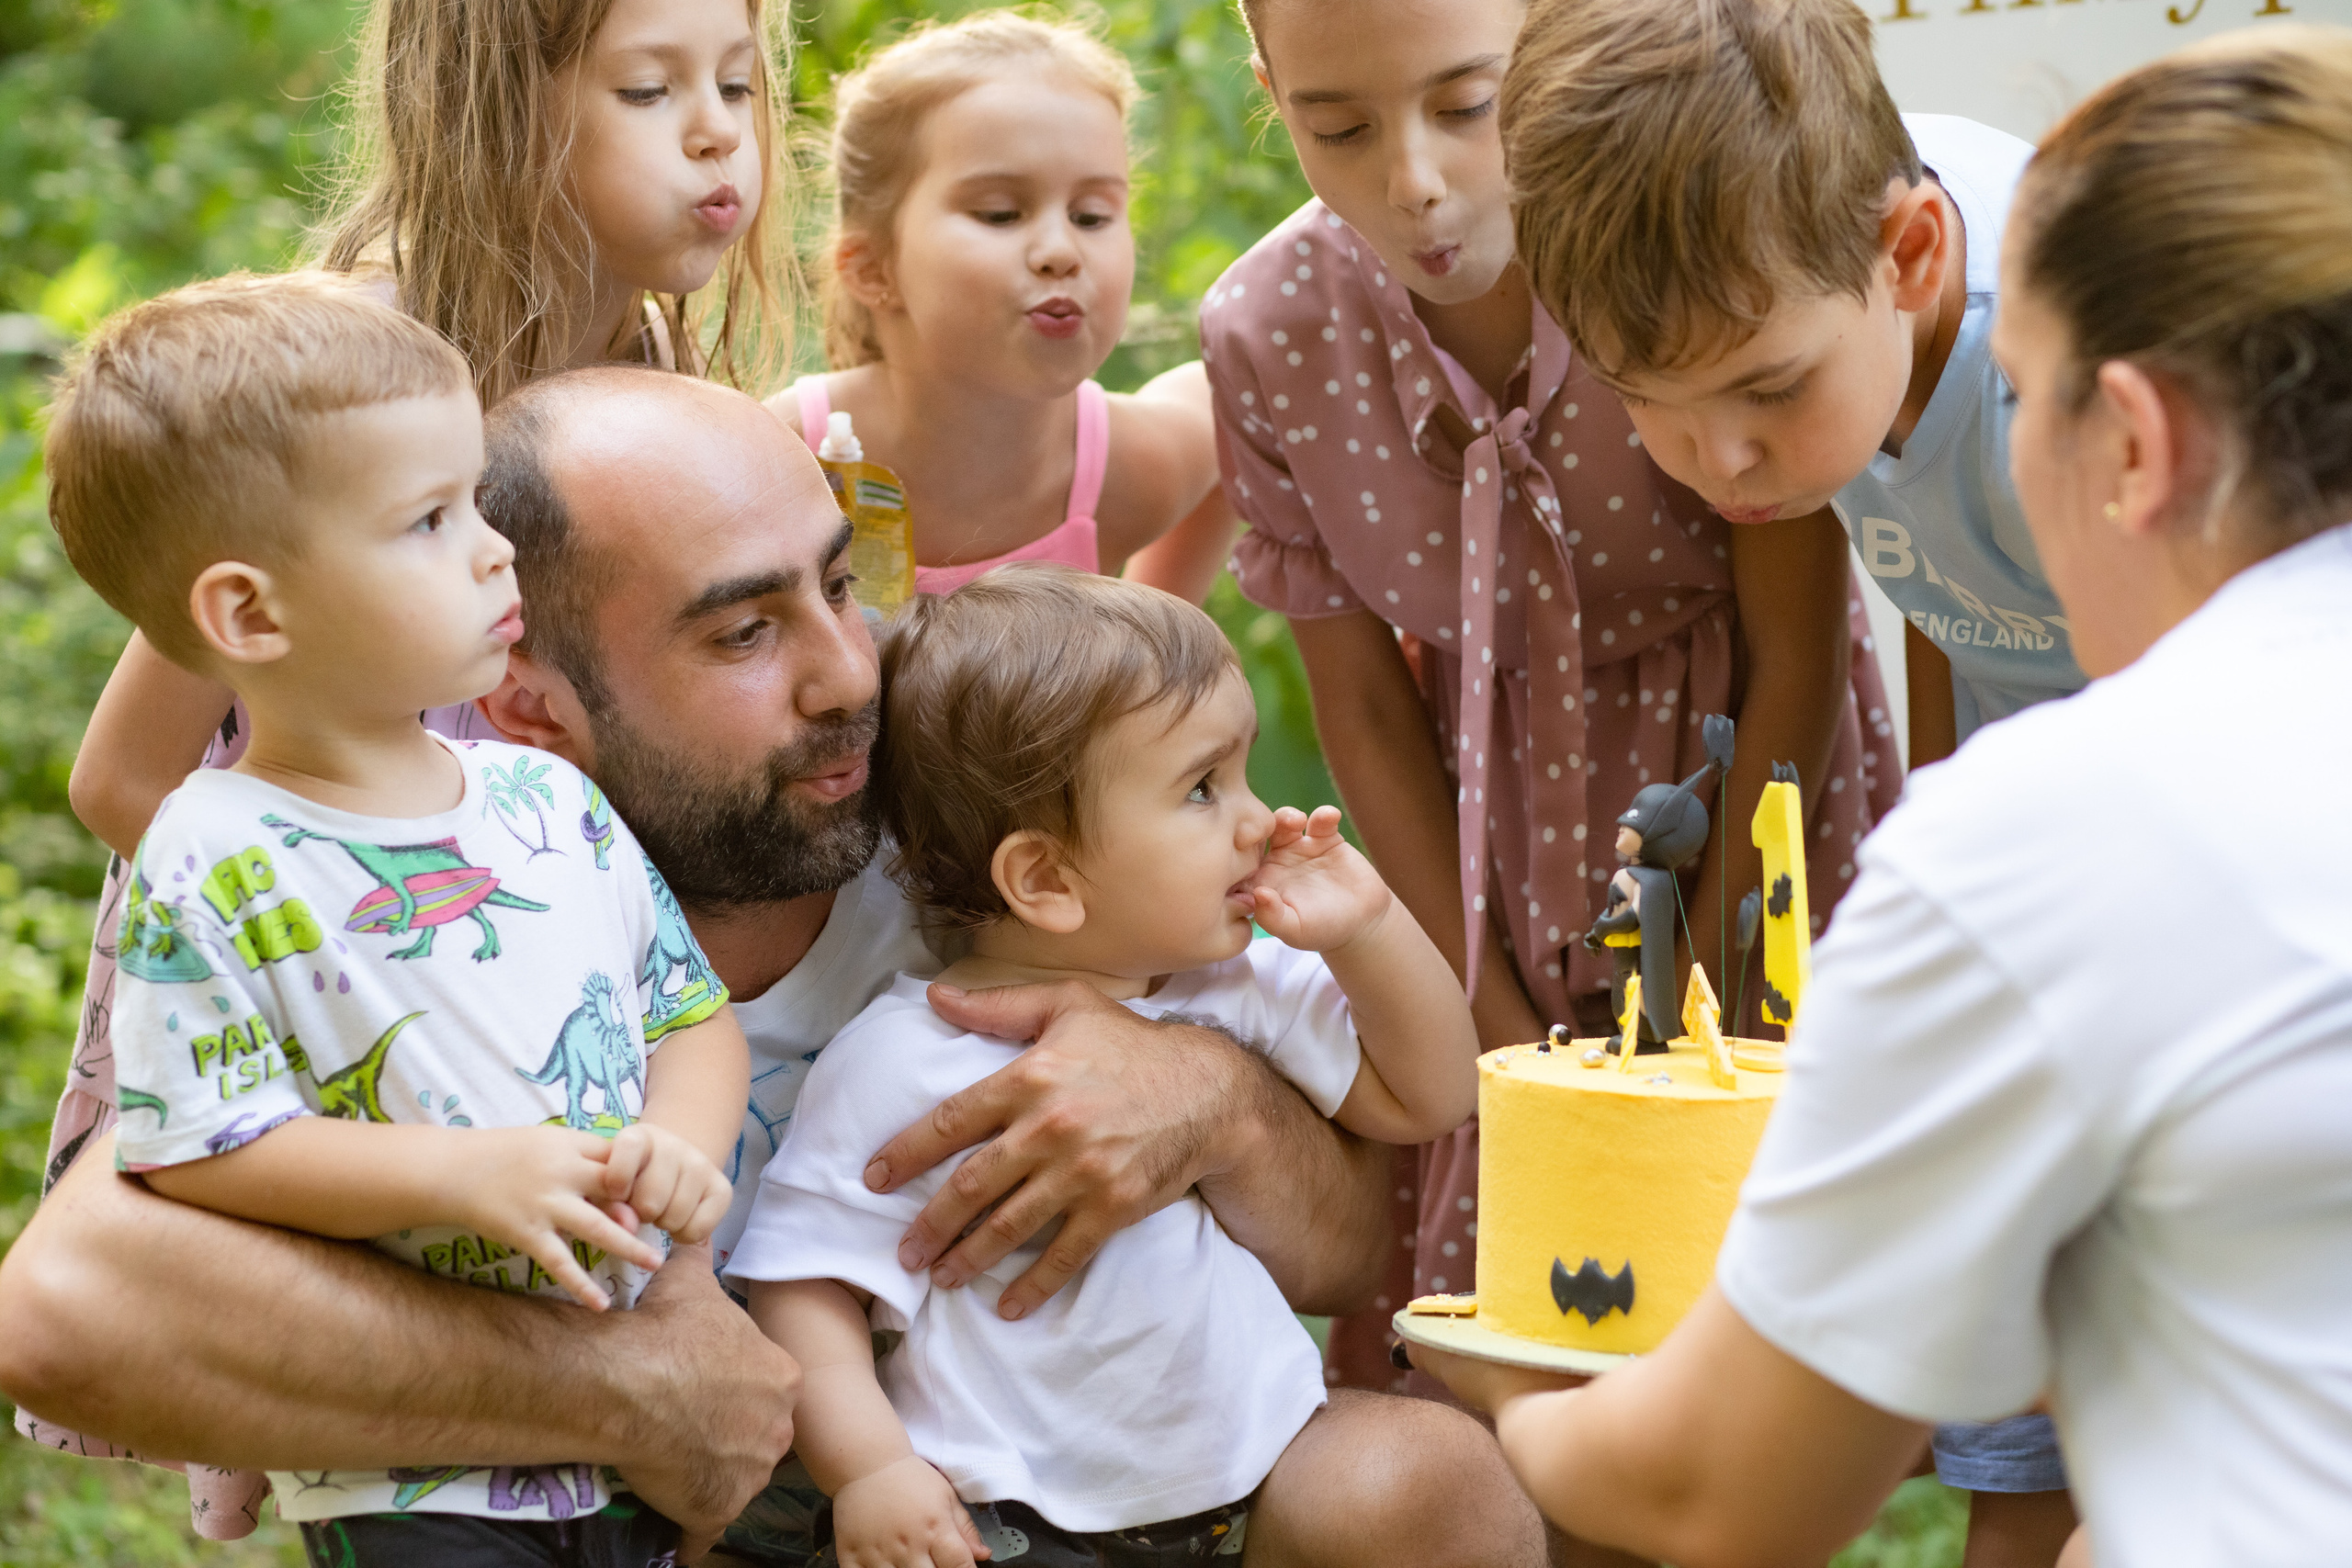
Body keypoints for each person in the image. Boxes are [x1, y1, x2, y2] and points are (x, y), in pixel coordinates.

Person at [0, 367, 1404, 1563]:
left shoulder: (986, 850)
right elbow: (65, 1312)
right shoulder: (436, 924)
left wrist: (1201, 1092)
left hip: (1049, 1502)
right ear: (531, 709)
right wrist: (620, 1391)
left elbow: (1347, 1243)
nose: (850, 672)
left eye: (840, 586)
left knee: (1418, 1479)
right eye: (744, 629)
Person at [1419, 27, 2352, 1568]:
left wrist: (1513, 1378)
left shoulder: (2073, 841)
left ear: (2133, 437)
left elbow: (1717, 1493)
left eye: (2028, 395)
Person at [1203, 0, 1895, 1404]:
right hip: (1473, 833)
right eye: (1337, 127)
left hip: (1749, 776)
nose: (1417, 179)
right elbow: (1364, 704)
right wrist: (1488, 1006)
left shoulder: (1670, 232)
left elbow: (1797, 632)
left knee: (1728, 1297)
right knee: (1531, 1305)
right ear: (1272, 92)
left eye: (1469, 107)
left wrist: (1698, 947)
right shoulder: (1272, 332)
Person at [1499, 0, 2089, 1549]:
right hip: (2050, 872)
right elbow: (1965, 626)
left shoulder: (2069, 389)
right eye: (1654, 406)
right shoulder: (1827, 297)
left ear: (1908, 257)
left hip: (2185, 899)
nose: (1727, 468)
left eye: (1764, 391)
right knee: (2012, 1413)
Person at [44, 273, 751, 1564]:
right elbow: (196, 1144)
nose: (495, 546)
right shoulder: (217, 849)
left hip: (637, 1435)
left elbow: (687, 1017)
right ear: (249, 612)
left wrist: (675, 1148)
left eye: (477, 497)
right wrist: (461, 1174)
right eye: (428, 519)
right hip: (415, 1477)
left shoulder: (546, 798)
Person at [730, 568, 1529, 1568]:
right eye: (1202, 788)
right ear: (1046, 879)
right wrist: (874, 1471)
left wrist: (1367, 932)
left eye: (1238, 773)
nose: (1257, 818)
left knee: (1449, 1485)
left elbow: (1434, 1095)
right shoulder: (902, 1058)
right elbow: (806, 1289)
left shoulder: (1234, 988)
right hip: (1010, 1515)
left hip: (1257, 1473)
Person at [775, 12, 1233, 604]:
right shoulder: (785, 461)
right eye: (1000, 213)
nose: (1061, 251)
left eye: (1091, 215)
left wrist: (1161, 645)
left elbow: (1233, 406)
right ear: (873, 269)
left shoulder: (1128, 470)